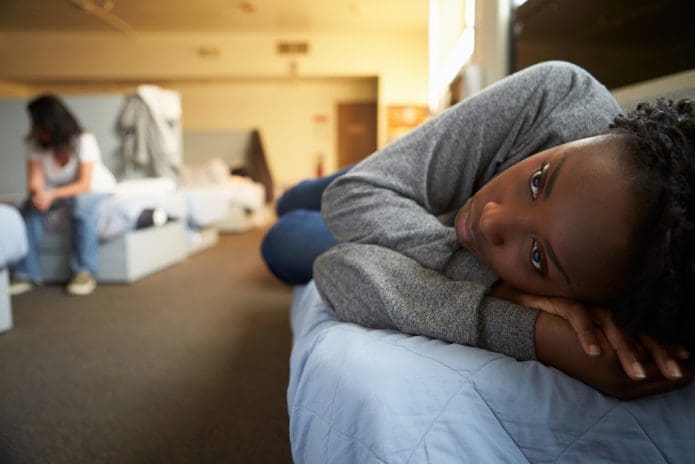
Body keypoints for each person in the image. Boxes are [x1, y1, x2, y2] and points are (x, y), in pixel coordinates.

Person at [261, 61, 694, 399]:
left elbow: (339, 267)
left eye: (537, 257)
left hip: (403, 221)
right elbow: (356, 196)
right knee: (306, 196)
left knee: (285, 242)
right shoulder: (558, 95)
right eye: (538, 179)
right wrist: (500, 289)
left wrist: (535, 334)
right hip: (396, 187)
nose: (490, 219)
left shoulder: (615, 271)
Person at [10, 94, 117, 296]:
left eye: (39, 123)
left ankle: (84, 271)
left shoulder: (83, 140)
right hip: (62, 193)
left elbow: (84, 185)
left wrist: (52, 194)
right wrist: (38, 194)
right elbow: (34, 180)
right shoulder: (35, 144)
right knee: (28, 208)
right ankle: (26, 272)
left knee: (81, 206)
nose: (35, 128)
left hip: (96, 190)